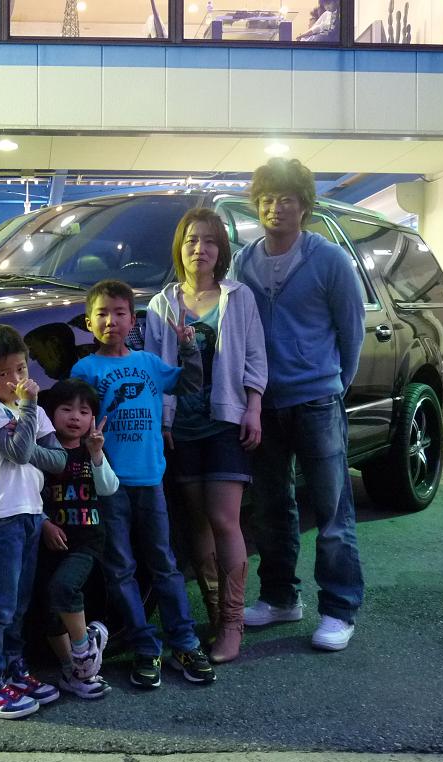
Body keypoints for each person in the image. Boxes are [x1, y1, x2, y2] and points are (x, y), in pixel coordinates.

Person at [229, 158, 366, 652]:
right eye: (267, 199)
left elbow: (352, 332)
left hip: (317, 401)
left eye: (286, 199)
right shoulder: (244, 261)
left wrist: (332, 385)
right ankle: (280, 598)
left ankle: (339, 610)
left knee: (332, 513)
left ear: (304, 206)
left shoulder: (329, 260)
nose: (275, 208)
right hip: (263, 404)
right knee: (271, 509)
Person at [71, 279, 216, 689]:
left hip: (151, 479)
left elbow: (188, 384)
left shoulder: (149, 363)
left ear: (132, 321)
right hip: (109, 485)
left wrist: (189, 348)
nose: (111, 321)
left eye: (119, 313)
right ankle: (144, 646)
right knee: (120, 568)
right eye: (101, 314)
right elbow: (74, 418)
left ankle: (184, 642)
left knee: (164, 564)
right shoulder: (85, 370)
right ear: (89, 323)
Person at [145, 208, 267, 663]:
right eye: (192, 240)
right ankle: (215, 616)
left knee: (224, 520)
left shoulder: (239, 297)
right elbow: (155, 369)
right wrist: (162, 422)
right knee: (196, 522)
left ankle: (233, 623)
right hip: (181, 427)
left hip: (225, 422)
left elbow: (255, 357)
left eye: (210, 240)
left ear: (222, 250)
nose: (200, 249)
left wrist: (253, 407)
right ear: (180, 248)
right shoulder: (161, 304)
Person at [0, 323, 68, 719]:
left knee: (19, 604)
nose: (15, 380)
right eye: (3, 373)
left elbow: (58, 461)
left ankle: (13, 671)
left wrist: (27, 431)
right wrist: (26, 413)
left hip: (30, 514)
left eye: (21, 369)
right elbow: (21, 452)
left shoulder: (35, 411)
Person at [38, 378, 117, 700]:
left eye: (84, 412)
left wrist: (96, 453)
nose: (75, 417)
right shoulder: (43, 452)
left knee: (64, 588)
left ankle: (85, 651)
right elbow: (30, 494)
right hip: (50, 541)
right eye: (66, 409)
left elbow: (109, 488)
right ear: (50, 413)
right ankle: (74, 672)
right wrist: (44, 524)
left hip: (86, 541)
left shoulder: (91, 450)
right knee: (48, 609)